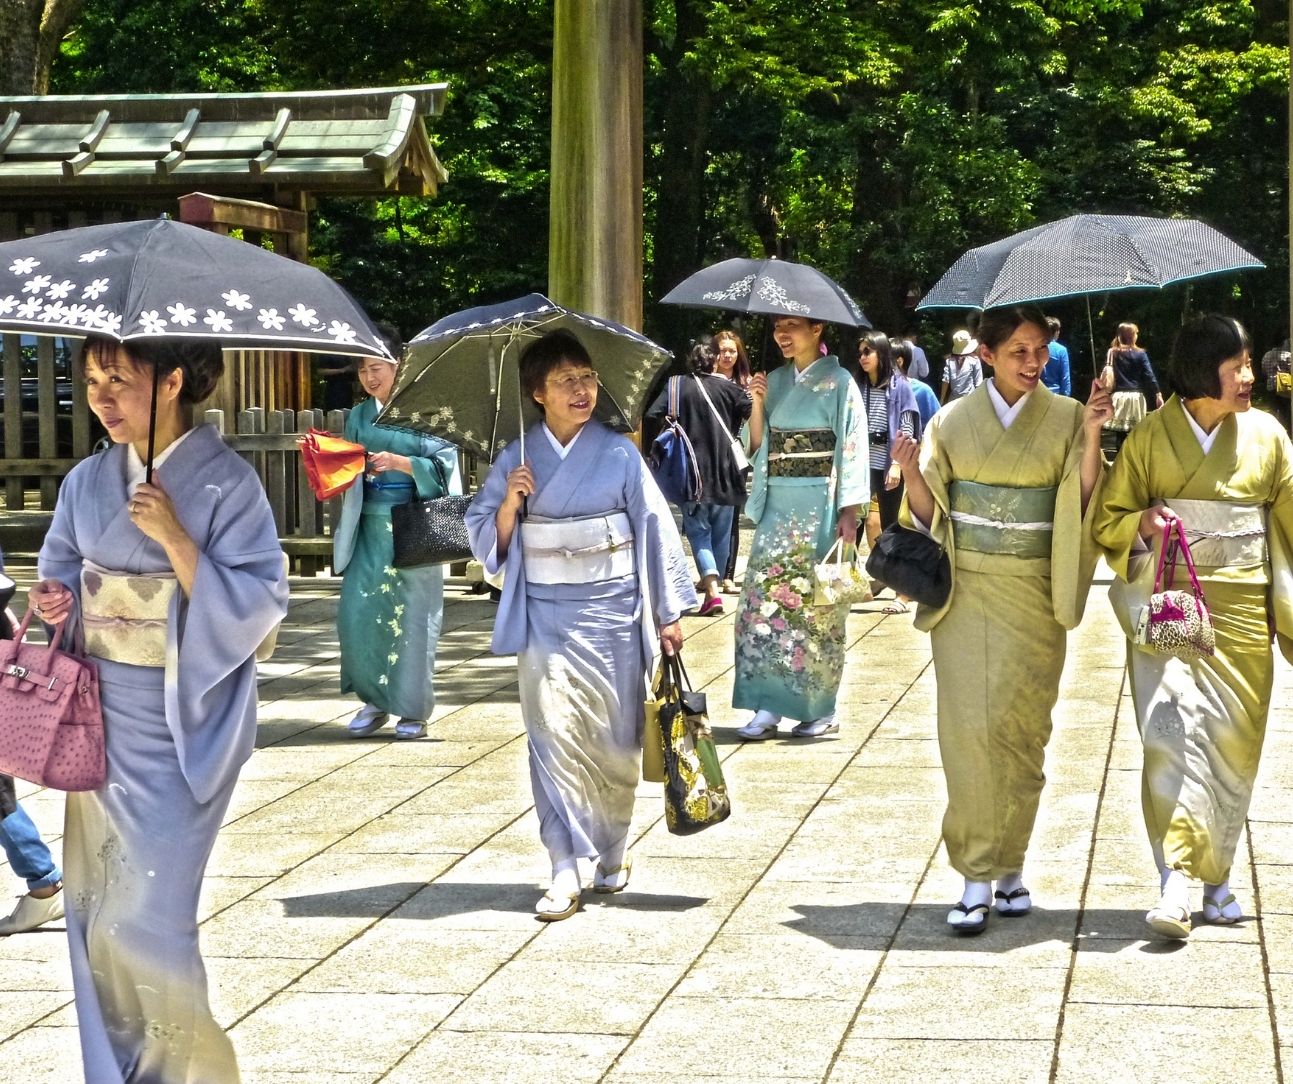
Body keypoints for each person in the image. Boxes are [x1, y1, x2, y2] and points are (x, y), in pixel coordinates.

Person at [29, 336, 289, 1080]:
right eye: (91, 381)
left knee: (152, 917)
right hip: (97, 720)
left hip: (181, 720)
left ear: (172, 381)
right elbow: (58, 577)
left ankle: (187, 1072)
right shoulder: (86, 479)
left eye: (119, 379)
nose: (101, 398)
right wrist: (57, 603)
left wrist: (176, 537)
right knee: (100, 912)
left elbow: (262, 609)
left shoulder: (227, 483)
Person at [892, 304, 1111, 934]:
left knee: (1024, 732)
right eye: (1018, 351)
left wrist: (1093, 432)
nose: (1033, 363)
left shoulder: (1069, 416)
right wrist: (910, 472)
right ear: (985, 354)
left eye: (1040, 351)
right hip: (967, 594)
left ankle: (1011, 866)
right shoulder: (953, 420)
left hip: (1035, 592)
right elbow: (931, 510)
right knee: (968, 733)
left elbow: (1083, 500)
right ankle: (974, 875)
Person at [465, 330, 696, 921]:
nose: (582, 389)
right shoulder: (516, 456)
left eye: (588, 377)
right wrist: (511, 503)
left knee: (614, 742)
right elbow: (484, 534)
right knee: (552, 735)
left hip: (613, 611)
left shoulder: (618, 451)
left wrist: (667, 612)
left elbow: (652, 527)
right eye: (566, 380)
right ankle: (562, 865)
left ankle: (613, 851)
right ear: (537, 393)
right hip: (545, 614)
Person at [1093, 314, 1293, 939]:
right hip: (1172, 606)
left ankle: (1218, 876)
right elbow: (1110, 517)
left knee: (1232, 747)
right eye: (1237, 364)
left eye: (1248, 361)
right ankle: (1176, 879)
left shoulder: (1269, 436)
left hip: (1243, 611)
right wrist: (1142, 524)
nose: (1249, 374)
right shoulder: (1151, 437)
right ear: (1205, 370)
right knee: (1170, 733)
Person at [733, 315, 868, 741]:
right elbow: (755, 446)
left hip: (821, 505)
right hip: (779, 504)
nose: (782, 336)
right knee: (762, 605)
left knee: (817, 613)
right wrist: (756, 402)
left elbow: (852, 444)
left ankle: (819, 708)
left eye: (792, 326)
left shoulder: (840, 381)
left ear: (817, 330)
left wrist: (850, 510)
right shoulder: (772, 381)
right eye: (776, 328)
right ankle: (767, 704)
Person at [333, 326, 462, 741]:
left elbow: (447, 465)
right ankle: (374, 702)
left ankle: (412, 710)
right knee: (360, 615)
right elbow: (347, 465)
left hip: (412, 527)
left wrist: (404, 463)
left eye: (377, 367)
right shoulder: (358, 416)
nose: (370, 378)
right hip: (368, 525)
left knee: (413, 619)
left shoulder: (428, 409)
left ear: (398, 365)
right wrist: (332, 459)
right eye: (362, 370)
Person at [646, 338, 752, 615]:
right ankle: (713, 587)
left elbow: (652, 413)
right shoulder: (731, 389)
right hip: (728, 474)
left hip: (691, 475)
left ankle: (712, 590)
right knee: (720, 533)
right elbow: (751, 413)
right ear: (715, 360)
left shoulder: (676, 386)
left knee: (698, 532)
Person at [856, 332, 920, 615]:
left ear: (881, 353)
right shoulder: (859, 387)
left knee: (895, 526)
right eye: (860, 352)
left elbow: (907, 427)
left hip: (888, 463)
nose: (863, 357)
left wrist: (897, 464)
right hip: (861, 463)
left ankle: (904, 592)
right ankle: (855, 583)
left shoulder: (900, 387)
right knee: (855, 521)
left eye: (868, 351)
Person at [715, 329, 752, 595]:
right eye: (722, 350)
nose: (727, 355)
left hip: (736, 453)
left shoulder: (746, 384)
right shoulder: (703, 381)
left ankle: (728, 573)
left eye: (732, 351)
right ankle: (711, 573)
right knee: (706, 511)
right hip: (707, 454)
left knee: (732, 514)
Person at [1102, 322, 1163, 457]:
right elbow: (1149, 375)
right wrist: (1157, 394)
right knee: (1137, 432)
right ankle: (1135, 458)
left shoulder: (1113, 352)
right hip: (1136, 397)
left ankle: (1120, 459)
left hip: (1118, 397)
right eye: (1136, 333)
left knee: (1120, 435)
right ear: (1132, 336)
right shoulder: (1140, 354)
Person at [894, 338, 940, 433]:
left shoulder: (923, 391)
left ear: (899, 362)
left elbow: (939, 425)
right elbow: (924, 373)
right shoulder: (879, 391)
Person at [940, 329, 983, 404]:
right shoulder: (974, 360)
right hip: (970, 400)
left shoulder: (950, 361)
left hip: (953, 400)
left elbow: (945, 381)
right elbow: (978, 383)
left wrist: (942, 400)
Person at [1042, 316, 1071, 396]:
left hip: (1038, 394)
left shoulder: (1037, 347)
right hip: (1055, 395)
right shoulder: (1061, 350)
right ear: (1056, 332)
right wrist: (1066, 397)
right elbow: (1065, 378)